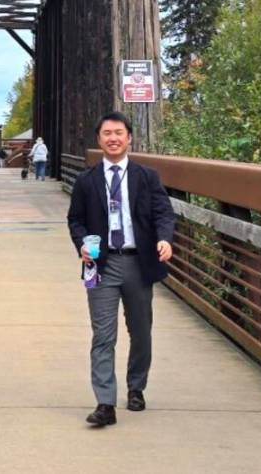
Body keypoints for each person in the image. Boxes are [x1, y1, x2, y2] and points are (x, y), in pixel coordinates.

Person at [66, 112, 174, 427]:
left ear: (129, 138)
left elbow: (163, 213)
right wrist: (82, 245)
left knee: (140, 332)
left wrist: (165, 240)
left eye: (119, 133)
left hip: (138, 262)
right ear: (98, 140)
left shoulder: (147, 176)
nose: (113, 138)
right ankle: (105, 402)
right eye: (106, 134)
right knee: (103, 334)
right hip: (101, 264)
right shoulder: (87, 180)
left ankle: (136, 386)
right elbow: (75, 219)